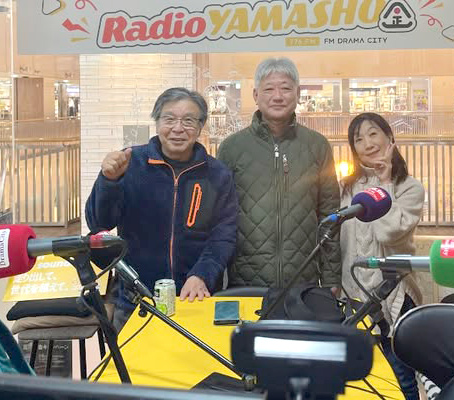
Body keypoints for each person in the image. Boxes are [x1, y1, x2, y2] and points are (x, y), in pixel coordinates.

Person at [86, 87, 238, 331]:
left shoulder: (217, 174)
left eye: (188, 120)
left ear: (200, 127)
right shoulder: (130, 163)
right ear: (157, 123)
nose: (178, 128)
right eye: (169, 119)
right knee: (134, 357)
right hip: (136, 300)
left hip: (195, 297)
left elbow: (224, 235)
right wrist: (108, 181)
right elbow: (99, 224)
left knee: (194, 357)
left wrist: (202, 274)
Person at [217, 57, 341, 290]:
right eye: (268, 89)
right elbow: (219, 218)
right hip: (245, 281)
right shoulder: (232, 148)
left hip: (303, 281)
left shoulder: (317, 145)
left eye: (285, 88)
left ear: (298, 94)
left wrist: (332, 278)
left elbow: (330, 216)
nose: (277, 96)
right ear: (255, 95)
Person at [339, 112, 425, 400]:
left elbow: (388, 233)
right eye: (358, 139)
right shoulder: (346, 188)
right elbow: (338, 243)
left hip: (393, 296)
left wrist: (385, 182)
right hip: (353, 297)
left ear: (390, 137)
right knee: (360, 380)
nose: (367, 143)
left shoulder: (409, 188)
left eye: (373, 133)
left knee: (401, 378)